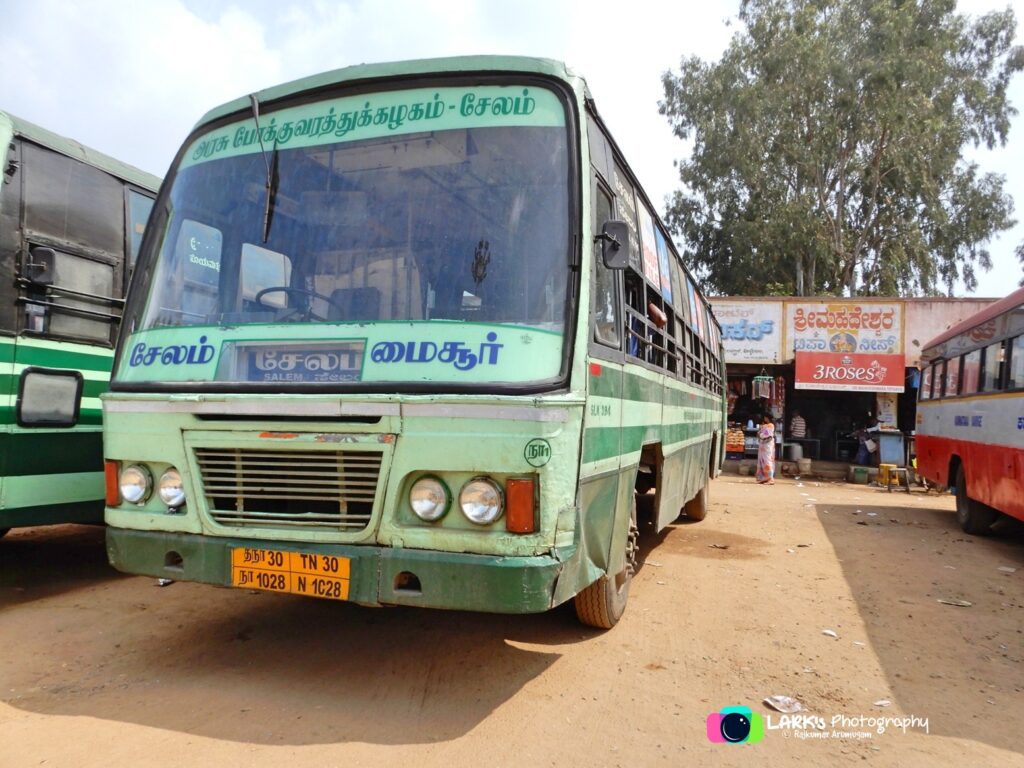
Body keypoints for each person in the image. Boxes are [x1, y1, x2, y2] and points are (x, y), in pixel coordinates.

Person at [755, 414, 775, 484]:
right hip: (763, 445)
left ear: (767, 418)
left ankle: (770, 479)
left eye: (765, 417)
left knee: (767, 461)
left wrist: (760, 434)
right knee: (762, 461)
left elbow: (766, 435)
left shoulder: (770, 425)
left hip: (767, 445)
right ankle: (764, 478)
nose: (764, 419)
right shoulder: (766, 425)